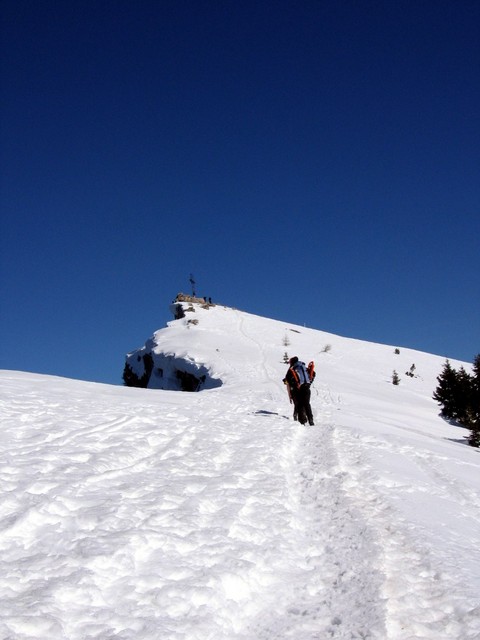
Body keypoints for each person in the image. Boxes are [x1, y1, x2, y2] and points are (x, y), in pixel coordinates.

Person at [283, 356, 314, 425]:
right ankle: (311, 420)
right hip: (307, 387)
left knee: (299, 404)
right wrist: (309, 382)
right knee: (307, 404)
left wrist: (292, 385)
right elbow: (313, 373)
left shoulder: (293, 368)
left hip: (299, 389)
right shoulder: (303, 367)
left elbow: (287, 379)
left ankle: (302, 422)